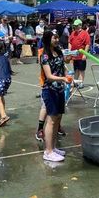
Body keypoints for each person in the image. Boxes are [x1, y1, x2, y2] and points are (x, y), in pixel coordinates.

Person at [40, 30, 70, 163]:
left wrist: (67, 74)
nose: (57, 40)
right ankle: (48, 151)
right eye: (54, 38)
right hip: (49, 90)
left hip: (60, 90)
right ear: (48, 39)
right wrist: (63, 79)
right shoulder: (45, 56)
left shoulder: (59, 52)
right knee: (51, 120)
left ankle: (53, 147)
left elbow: (63, 67)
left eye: (58, 37)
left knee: (58, 119)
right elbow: (49, 76)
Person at [69, 19, 90, 84]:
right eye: (75, 26)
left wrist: (85, 54)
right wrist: (69, 52)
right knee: (76, 69)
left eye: (76, 26)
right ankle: (75, 82)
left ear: (80, 25)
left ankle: (81, 82)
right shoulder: (73, 33)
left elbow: (87, 44)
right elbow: (70, 42)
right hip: (74, 55)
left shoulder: (85, 33)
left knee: (81, 70)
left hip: (81, 55)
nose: (75, 27)